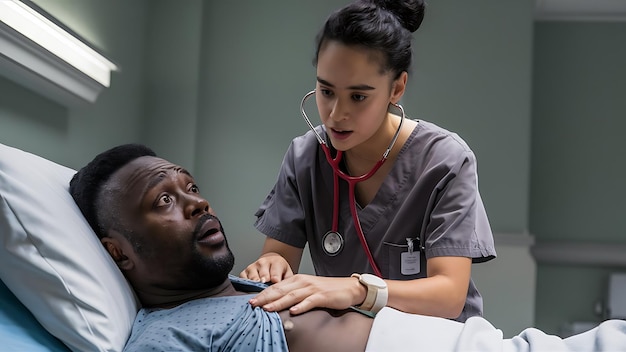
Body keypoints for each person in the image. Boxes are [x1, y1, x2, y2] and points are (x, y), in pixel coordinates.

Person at [68, 144, 626, 352]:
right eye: (162, 201)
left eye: (190, 187)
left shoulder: (248, 286)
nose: (196, 203)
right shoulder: (166, 334)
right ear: (118, 253)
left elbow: (450, 294)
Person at [241, 0, 497, 322]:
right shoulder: (305, 157)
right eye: (326, 91)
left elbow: (448, 297)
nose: (336, 115)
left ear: (397, 88)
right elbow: (278, 257)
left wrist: (359, 290)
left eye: (358, 97)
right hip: (347, 341)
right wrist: (273, 266)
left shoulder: (445, 161)